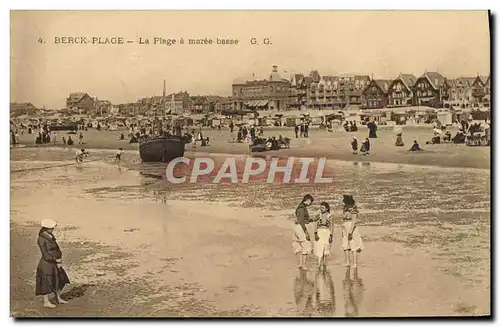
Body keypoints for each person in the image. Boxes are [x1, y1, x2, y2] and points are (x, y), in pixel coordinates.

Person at [35, 219, 70, 308]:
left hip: (54, 262)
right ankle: (46, 302)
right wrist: (56, 260)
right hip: (47, 264)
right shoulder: (41, 239)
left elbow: (56, 248)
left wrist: (59, 256)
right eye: (51, 228)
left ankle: (58, 298)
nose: (53, 230)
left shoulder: (50, 236)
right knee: (46, 282)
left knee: (57, 280)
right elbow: (46, 255)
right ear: (46, 229)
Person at [341, 195, 363, 268]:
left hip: (351, 226)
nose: (344, 202)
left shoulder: (353, 210)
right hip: (345, 225)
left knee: (353, 245)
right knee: (345, 245)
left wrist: (350, 232)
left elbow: (353, 222)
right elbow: (344, 218)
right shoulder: (345, 208)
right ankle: (347, 262)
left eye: (345, 201)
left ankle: (355, 263)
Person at [293, 194, 314, 270]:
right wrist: (306, 232)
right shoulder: (302, 208)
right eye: (310, 202)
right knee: (305, 245)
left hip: (297, 227)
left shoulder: (299, 207)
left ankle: (300, 264)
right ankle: (304, 265)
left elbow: (300, 219)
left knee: (300, 247)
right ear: (308, 200)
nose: (310, 204)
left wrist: (309, 220)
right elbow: (301, 221)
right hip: (301, 227)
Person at [313, 202, 334, 270]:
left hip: (327, 233)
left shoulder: (330, 216)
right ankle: (319, 264)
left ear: (327, 208)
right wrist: (315, 233)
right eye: (320, 207)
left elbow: (332, 226)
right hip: (319, 232)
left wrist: (331, 235)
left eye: (323, 208)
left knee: (325, 249)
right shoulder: (318, 215)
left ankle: (324, 264)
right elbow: (315, 224)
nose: (321, 209)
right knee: (319, 248)